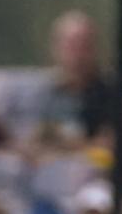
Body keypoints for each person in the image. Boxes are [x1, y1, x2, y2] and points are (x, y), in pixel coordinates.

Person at [31, 9, 114, 150]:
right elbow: (31, 144)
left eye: (85, 46)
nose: (79, 55)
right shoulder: (43, 96)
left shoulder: (109, 95)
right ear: (56, 48)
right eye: (72, 46)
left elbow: (108, 145)